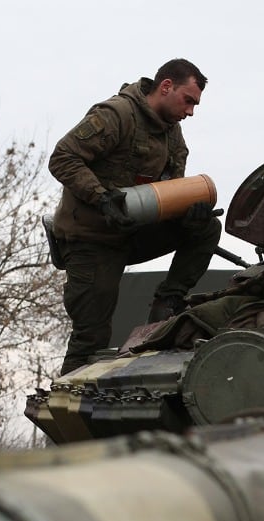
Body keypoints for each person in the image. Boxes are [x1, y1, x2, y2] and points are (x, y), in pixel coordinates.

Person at [49, 58, 222, 375]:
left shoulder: (172, 136)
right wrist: (102, 199)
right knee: (90, 341)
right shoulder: (116, 115)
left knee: (206, 227)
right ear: (166, 86)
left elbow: (169, 191)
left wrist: (188, 215)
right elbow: (63, 158)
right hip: (90, 240)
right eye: (188, 101)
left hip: (133, 232)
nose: (191, 111)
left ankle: (167, 303)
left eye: (195, 105)